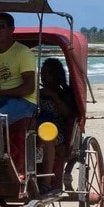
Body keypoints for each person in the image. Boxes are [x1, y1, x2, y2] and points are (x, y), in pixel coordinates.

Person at [0, 12, 38, 125]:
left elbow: (29, 89)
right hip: (2, 100)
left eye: (1, 27)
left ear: (12, 29)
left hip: (26, 101)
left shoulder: (23, 52)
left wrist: (0, 93)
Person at [36, 58, 75, 189]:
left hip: (56, 129)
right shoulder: (37, 93)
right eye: (41, 74)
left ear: (56, 75)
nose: (43, 77)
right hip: (38, 125)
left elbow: (67, 114)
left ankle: (46, 182)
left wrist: (54, 97)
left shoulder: (64, 93)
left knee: (47, 138)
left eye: (47, 74)